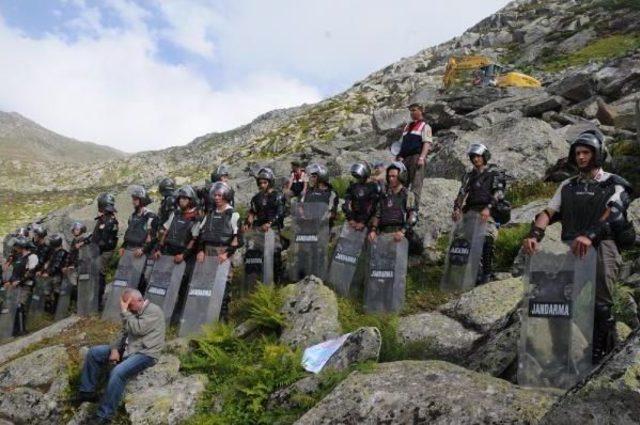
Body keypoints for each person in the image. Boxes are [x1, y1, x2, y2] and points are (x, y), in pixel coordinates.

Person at [522, 129, 635, 363]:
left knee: (600, 305)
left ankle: (600, 356)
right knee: (555, 298)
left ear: (597, 154)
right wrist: (535, 234)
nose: (581, 157)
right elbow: (548, 212)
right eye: (577, 153)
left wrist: (590, 234)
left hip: (604, 245)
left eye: (586, 153)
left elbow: (614, 211)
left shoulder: (613, 183)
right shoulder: (567, 185)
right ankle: (559, 355)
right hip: (573, 248)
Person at [74, 288, 165, 424]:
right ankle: (87, 392)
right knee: (94, 353)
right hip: (127, 349)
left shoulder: (154, 311)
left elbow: (137, 329)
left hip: (145, 353)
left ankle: (105, 415)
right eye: (125, 304)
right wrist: (114, 349)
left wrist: (124, 312)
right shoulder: (133, 313)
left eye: (129, 304)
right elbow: (122, 332)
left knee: (118, 372)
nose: (127, 307)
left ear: (139, 300)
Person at [452, 143, 509, 285]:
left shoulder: (494, 173)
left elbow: (499, 193)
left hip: (488, 211)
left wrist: (489, 208)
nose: (476, 159)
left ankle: (487, 273)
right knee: (465, 243)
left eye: (478, 156)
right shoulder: (469, 176)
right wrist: (457, 208)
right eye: (473, 157)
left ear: (484, 157)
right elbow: (462, 193)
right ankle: (472, 274)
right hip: (471, 211)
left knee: (486, 240)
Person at [193, 182, 241, 321]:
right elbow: (202, 234)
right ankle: (205, 317)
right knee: (206, 284)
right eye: (215, 195)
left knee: (223, 285)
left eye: (220, 195)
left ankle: (222, 319)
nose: (217, 198)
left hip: (223, 252)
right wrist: (200, 251)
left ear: (226, 196)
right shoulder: (210, 214)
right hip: (207, 252)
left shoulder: (233, 215)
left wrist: (226, 254)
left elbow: (238, 238)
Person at [244, 167, 286, 283]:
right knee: (255, 254)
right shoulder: (256, 198)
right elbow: (252, 211)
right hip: (258, 229)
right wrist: (247, 223)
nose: (262, 185)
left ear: (270, 182)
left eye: (265, 182)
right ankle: (256, 281)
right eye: (260, 182)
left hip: (272, 228)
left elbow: (281, 212)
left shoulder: (278, 195)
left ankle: (277, 281)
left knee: (275, 253)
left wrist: (270, 223)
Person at [120, 186, 158, 292]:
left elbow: (153, 236)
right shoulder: (133, 215)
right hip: (129, 250)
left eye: (135, 199)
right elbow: (129, 232)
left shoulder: (150, 215)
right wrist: (123, 246)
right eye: (133, 199)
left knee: (140, 276)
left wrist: (143, 249)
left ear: (142, 200)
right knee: (128, 275)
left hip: (141, 251)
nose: (133, 201)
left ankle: (141, 299)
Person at [368, 162, 418, 243]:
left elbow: (413, 216)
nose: (391, 179)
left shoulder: (408, 194)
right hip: (383, 234)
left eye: (394, 176)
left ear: (401, 176)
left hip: (400, 235)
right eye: (389, 176)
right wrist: (373, 230)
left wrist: (402, 231)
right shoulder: (384, 195)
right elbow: (378, 214)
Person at [395, 103, 433, 206]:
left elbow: (427, 143)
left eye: (414, 110)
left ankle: (413, 210)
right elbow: (401, 143)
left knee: (416, 185)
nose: (412, 112)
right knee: (401, 183)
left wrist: (422, 158)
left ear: (421, 111)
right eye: (410, 110)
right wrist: (399, 156)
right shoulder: (407, 126)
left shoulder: (425, 126)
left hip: (416, 157)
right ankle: (399, 207)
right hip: (404, 159)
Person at [4, 237, 38, 335]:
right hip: (15, 286)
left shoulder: (32, 256)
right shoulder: (19, 257)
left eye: (17, 246)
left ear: (22, 246)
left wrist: (19, 282)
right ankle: (14, 330)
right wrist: (10, 282)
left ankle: (22, 330)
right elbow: (15, 272)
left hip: (25, 286)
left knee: (20, 306)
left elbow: (30, 273)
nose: (16, 248)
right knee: (12, 306)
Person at [92, 193, 119, 310]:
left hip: (104, 251)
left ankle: (98, 302)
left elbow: (105, 241)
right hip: (100, 250)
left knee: (99, 274)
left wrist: (95, 249)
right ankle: (95, 300)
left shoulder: (110, 221)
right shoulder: (104, 219)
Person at [343, 162, 381, 231]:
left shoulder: (373, 187)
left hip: (367, 224)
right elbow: (347, 203)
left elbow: (373, 206)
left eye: (359, 176)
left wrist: (363, 222)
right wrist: (350, 219)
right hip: (352, 222)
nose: (358, 178)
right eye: (357, 176)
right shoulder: (353, 186)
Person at [41, 233, 68, 314]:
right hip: (51, 274)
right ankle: (50, 310)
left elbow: (57, 265)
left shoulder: (62, 252)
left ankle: (57, 310)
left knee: (57, 292)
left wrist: (48, 272)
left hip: (57, 275)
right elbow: (50, 263)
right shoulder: (54, 252)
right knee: (47, 292)